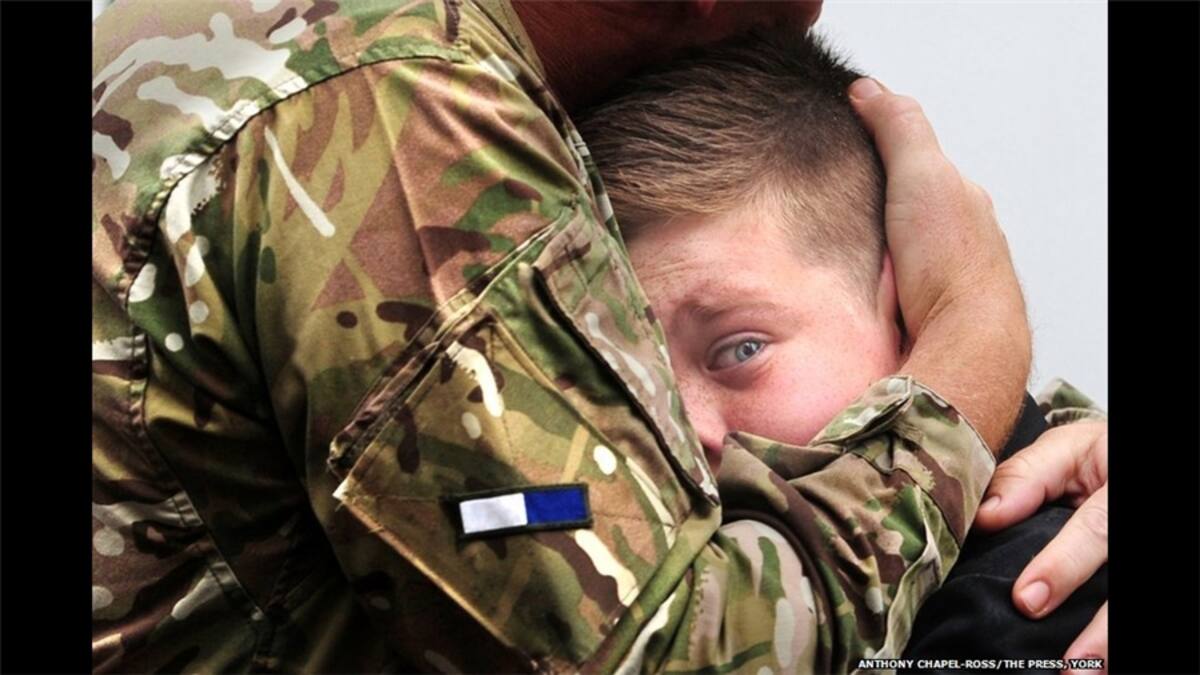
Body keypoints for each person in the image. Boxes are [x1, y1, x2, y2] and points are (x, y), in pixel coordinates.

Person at [91, 1, 1095, 671]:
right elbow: (650, 643)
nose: (677, 430)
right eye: (628, 373)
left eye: (740, 347)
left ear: (893, 300)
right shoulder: (393, 100)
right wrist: (975, 336)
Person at [576, 28, 1108, 668]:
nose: (685, 434)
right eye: (632, 387)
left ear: (906, 311)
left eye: (741, 349)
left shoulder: (1030, 612)